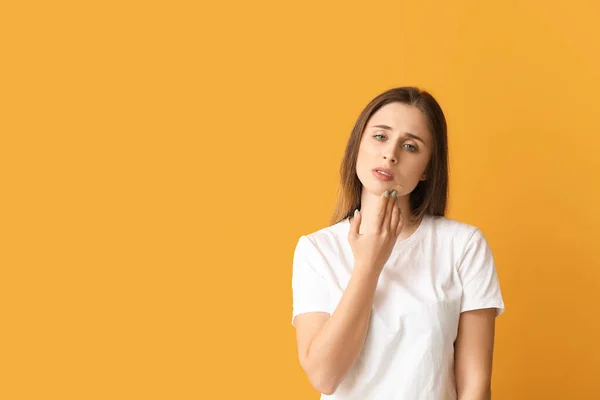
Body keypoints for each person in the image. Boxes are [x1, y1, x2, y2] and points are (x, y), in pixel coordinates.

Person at [291, 87, 505, 400]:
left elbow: (475, 386)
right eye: (380, 137)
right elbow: (324, 376)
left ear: (427, 170)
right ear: (358, 146)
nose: (391, 154)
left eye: (410, 146)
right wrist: (369, 264)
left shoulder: (463, 246)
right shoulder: (317, 250)